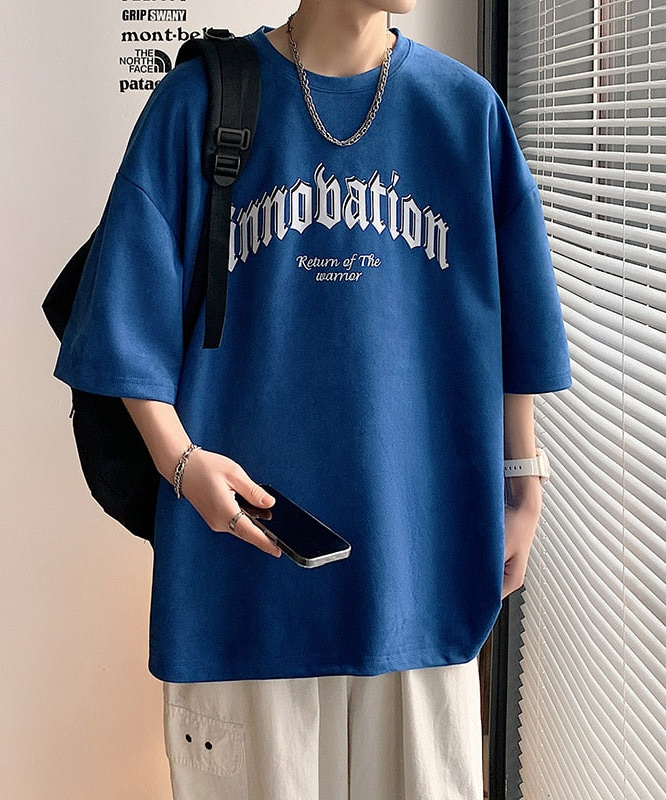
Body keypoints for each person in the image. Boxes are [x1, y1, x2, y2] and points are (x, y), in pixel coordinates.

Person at [54, 1, 571, 797]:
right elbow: (124, 322)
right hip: (241, 587)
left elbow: (520, 323)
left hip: (418, 577)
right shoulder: (197, 104)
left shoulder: (466, 115)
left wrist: (524, 480)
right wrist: (181, 463)